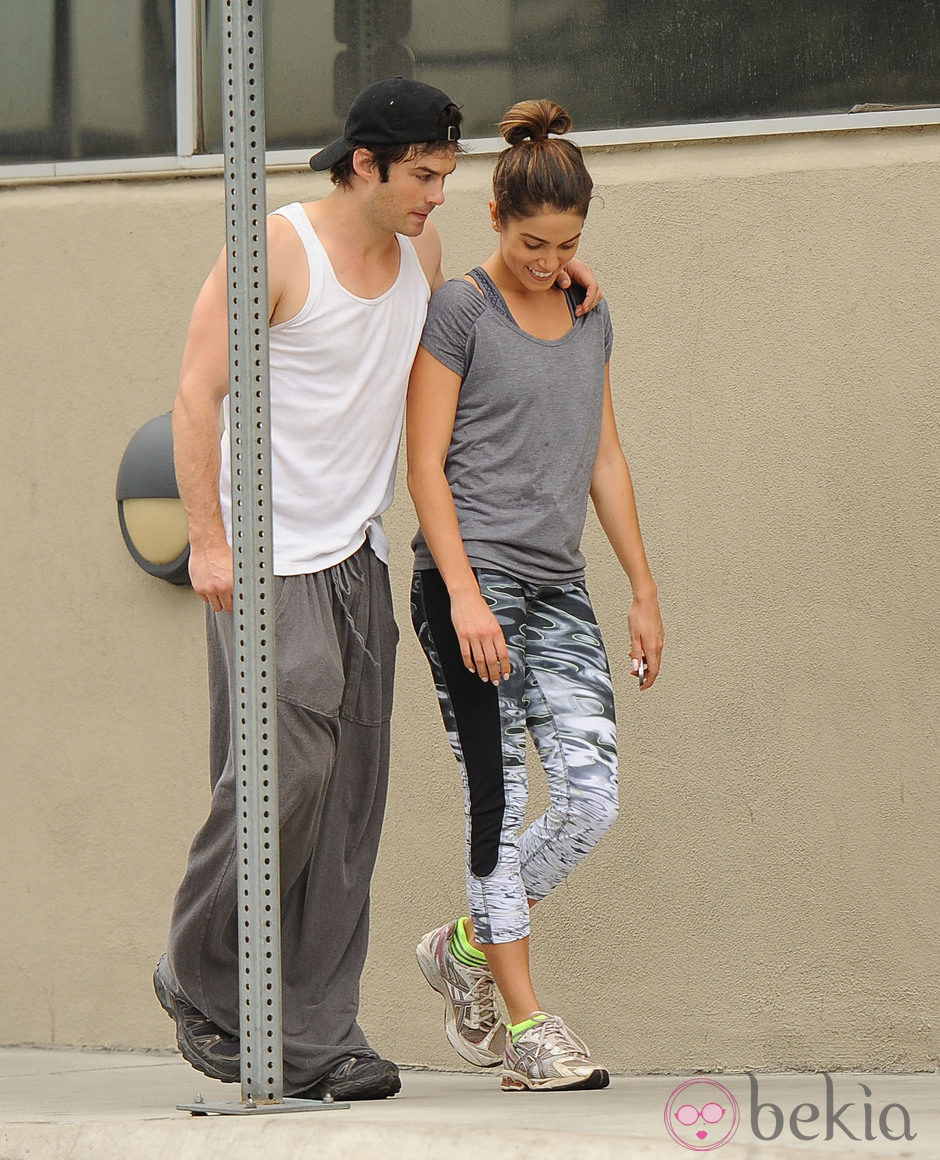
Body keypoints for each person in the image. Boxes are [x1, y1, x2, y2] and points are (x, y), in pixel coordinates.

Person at [153, 77, 602, 1102]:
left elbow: (472, 332)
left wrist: (566, 280)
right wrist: (207, 540)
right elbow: (193, 390)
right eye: (425, 175)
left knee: (352, 799)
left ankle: (316, 1030)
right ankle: (203, 967)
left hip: (355, 551)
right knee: (287, 773)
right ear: (365, 163)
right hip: (268, 555)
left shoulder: (422, 257)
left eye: (446, 176)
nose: (439, 194)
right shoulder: (275, 247)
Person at [407, 99, 665, 1093]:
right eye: (530, 241)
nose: (547, 262)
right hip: (465, 585)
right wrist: (465, 597)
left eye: (564, 244)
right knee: (498, 802)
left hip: (557, 587)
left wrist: (641, 586)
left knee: (590, 798)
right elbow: (424, 464)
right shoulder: (461, 310)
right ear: (494, 220)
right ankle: (525, 1026)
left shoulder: (589, 312)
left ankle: (460, 945)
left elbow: (602, 455)